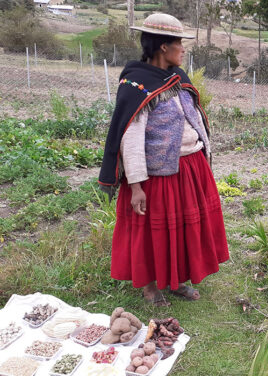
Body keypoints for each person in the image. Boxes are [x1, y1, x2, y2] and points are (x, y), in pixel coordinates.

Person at [98, 13, 229, 306]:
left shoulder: (176, 77)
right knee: (152, 234)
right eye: (179, 44)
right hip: (157, 176)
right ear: (162, 48)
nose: (183, 49)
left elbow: (193, 118)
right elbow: (129, 137)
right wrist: (136, 186)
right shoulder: (137, 84)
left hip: (189, 168)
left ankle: (176, 279)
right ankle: (150, 287)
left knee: (181, 229)